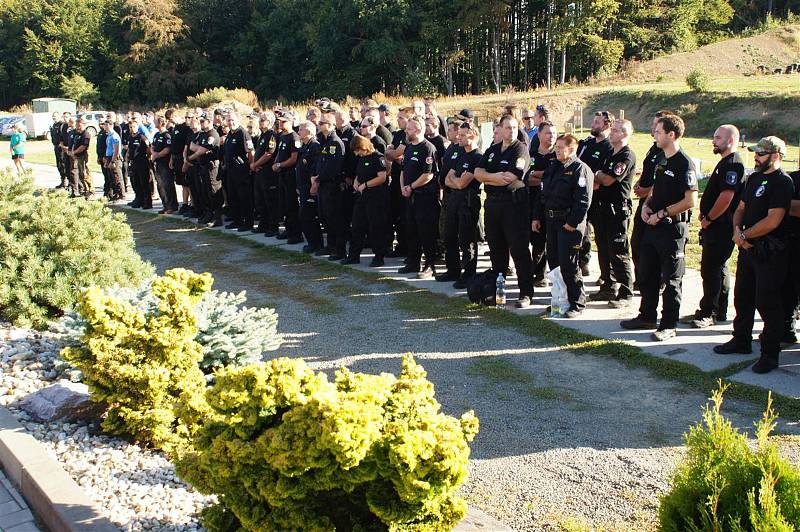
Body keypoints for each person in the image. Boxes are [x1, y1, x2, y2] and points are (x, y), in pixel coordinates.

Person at [714, 137, 793, 374]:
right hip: (747, 249)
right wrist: (738, 232)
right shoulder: (754, 178)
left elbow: (773, 220)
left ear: (776, 155)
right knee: (743, 296)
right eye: (756, 153)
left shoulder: (782, 182)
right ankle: (741, 340)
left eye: (761, 154)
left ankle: (769, 354)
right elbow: (740, 208)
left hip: (769, 253)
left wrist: (745, 235)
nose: (756, 157)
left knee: (767, 302)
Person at [621, 114, 698, 341]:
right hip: (652, 226)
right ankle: (646, 315)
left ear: (671, 135)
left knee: (672, 280)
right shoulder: (662, 160)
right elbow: (654, 190)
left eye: (658, 132)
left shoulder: (685, 163)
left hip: (672, 229)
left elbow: (690, 200)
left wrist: (663, 213)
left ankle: (668, 324)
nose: (654, 134)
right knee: (647, 274)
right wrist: (646, 206)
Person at [685, 125, 744, 328]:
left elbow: (727, 197)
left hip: (721, 226)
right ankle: (716, 310)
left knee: (712, 270)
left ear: (730, 140)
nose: (714, 140)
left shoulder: (733, 164)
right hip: (715, 226)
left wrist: (709, 217)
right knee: (717, 269)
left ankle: (710, 312)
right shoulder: (724, 162)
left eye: (718, 137)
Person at [475, 114, 535, 308]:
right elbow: (477, 173)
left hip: (513, 206)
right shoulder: (492, 150)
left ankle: (526, 293)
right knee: (497, 250)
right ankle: (498, 292)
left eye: (515, 127)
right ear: (499, 129)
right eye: (508, 127)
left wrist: (487, 177)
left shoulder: (521, 149)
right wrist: (493, 177)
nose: (512, 131)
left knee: (519, 250)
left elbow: (510, 177)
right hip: (493, 205)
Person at [531, 134, 594, 317]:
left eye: (560, 148)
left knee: (569, 265)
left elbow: (583, 201)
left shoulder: (579, 169)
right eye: (556, 147)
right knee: (555, 265)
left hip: (569, 224)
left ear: (572, 149)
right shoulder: (553, 167)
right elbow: (542, 195)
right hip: (551, 222)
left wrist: (572, 224)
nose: (556, 150)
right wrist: (537, 217)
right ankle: (560, 300)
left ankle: (577, 303)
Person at [590, 119, 637, 307]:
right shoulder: (611, 153)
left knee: (618, 251)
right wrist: (599, 175)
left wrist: (599, 175)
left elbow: (608, 179)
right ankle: (608, 286)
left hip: (617, 210)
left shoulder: (626, 156)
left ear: (625, 134)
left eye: (616, 130)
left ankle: (626, 292)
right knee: (603, 248)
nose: (612, 132)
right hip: (602, 207)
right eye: (613, 129)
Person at [439, 122, 483, 287]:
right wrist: (455, 181)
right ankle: (453, 270)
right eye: (459, 134)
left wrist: (455, 181)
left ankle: (469, 273)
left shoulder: (477, 156)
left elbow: (462, 183)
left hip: (468, 201)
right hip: (454, 199)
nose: (459, 137)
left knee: (467, 239)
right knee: (449, 235)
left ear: (473, 136)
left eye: (463, 135)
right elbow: (447, 179)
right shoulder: (461, 154)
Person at [631, 111, 671, 290]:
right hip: (644, 204)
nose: (653, 129)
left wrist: (646, 190)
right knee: (637, 243)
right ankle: (642, 277)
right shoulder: (653, 148)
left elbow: (661, 181)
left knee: (654, 247)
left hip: (657, 205)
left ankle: (657, 281)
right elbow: (648, 171)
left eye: (657, 126)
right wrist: (640, 184)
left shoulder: (667, 152)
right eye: (654, 125)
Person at [397, 115, 440, 279]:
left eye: (409, 129)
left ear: (418, 129)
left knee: (426, 231)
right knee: (411, 229)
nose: (406, 131)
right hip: (409, 196)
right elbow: (403, 170)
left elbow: (428, 174)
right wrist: (403, 187)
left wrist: (411, 186)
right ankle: (413, 261)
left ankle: (429, 264)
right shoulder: (408, 148)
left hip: (424, 197)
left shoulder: (427, 148)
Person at [343, 135, 390, 266]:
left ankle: (379, 256)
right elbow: (360, 173)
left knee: (375, 227)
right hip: (361, 196)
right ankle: (353, 255)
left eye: (358, 150)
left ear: (364, 147)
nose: (357, 154)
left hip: (375, 197)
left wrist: (367, 184)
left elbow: (382, 177)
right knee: (357, 226)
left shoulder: (378, 157)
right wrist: (357, 181)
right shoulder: (362, 159)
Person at [578, 110, 614, 280]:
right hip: (581, 196)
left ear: (607, 124)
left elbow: (602, 178)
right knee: (582, 232)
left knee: (603, 238)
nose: (593, 125)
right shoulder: (587, 143)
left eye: (597, 123)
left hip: (600, 198)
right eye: (594, 122)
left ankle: (607, 274)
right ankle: (583, 262)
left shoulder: (609, 147)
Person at [526, 121, 557, 286]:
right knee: (532, 239)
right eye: (547, 133)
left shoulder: (557, 156)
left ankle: (541, 274)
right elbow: (527, 179)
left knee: (544, 242)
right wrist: (545, 177)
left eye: (553, 133)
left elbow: (556, 180)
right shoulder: (531, 155)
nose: (551, 136)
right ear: (539, 134)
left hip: (550, 204)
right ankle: (531, 271)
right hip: (531, 202)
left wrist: (540, 176)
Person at [315, 109, 346, 257]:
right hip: (323, 185)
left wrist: (319, 178)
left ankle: (339, 250)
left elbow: (333, 168)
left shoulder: (335, 143)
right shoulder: (324, 141)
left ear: (331, 125)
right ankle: (331, 246)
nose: (319, 125)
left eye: (322, 123)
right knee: (325, 217)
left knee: (335, 218)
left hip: (332, 186)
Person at [385, 105, 412, 257]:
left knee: (405, 215)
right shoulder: (397, 134)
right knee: (395, 214)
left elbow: (394, 153)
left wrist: (392, 153)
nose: (398, 120)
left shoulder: (407, 136)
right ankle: (400, 246)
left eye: (401, 118)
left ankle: (407, 248)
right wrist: (392, 153)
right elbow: (391, 154)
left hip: (406, 181)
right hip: (395, 179)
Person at [187, 114, 223, 227]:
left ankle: (217, 217)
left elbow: (202, 148)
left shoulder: (213, 134)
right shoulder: (202, 134)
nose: (201, 123)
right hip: (203, 166)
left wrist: (193, 155)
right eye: (200, 121)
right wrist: (201, 150)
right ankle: (208, 214)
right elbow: (192, 146)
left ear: (209, 121)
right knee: (205, 191)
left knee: (214, 192)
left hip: (212, 166)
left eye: (203, 121)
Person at [272, 112, 303, 244]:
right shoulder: (282, 137)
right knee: (284, 204)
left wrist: (280, 164)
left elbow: (294, 158)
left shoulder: (294, 137)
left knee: (292, 205)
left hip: (290, 175)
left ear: (290, 122)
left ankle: (296, 233)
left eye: (283, 121)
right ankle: (288, 229)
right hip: (282, 175)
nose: (280, 123)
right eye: (279, 121)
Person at [223, 111, 255, 231]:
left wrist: (250, 166)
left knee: (244, 198)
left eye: (232, 120)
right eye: (228, 120)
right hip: (231, 171)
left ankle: (248, 223)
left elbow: (251, 152)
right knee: (233, 197)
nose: (231, 122)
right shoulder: (230, 134)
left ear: (238, 120)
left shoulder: (243, 133)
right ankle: (237, 221)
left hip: (242, 171)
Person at [295, 121, 323, 252]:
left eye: (301, 129)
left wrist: (314, 185)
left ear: (309, 132)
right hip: (302, 186)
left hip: (310, 187)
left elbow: (316, 169)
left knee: (308, 216)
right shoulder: (304, 146)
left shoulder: (315, 146)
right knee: (305, 216)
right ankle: (312, 242)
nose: (299, 132)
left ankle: (316, 244)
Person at [250, 112, 279, 236]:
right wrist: (255, 165)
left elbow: (269, 154)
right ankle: (263, 224)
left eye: (264, 120)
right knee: (260, 200)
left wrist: (255, 164)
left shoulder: (272, 135)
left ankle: (273, 227)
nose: (261, 121)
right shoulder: (262, 135)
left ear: (270, 122)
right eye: (260, 119)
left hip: (268, 173)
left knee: (270, 201)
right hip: (259, 172)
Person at [151, 116, 179, 214]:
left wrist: (157, 155)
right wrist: (153, 153)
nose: (154, 122)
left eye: (156, 121)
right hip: (158, 163)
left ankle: (172, 205)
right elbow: (152, 146)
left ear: (161, 123)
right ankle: (165, 205)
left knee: (168, 184)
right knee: (160, 185)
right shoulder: (156, 135)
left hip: (165, 163)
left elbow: (167, 149)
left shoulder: (167, 135)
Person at [127, 117, 152, 209]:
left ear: (137, 127)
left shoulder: (141, 137)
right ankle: (139, 200)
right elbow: (130, 148)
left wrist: (148, 157)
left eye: (133, 127)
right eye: (130, 127)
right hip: (133, 163)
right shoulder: (130, 137)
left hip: (142, 162)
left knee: (144, 182)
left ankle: (147, 202)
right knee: (135, 182)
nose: (132, 129)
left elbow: (148, 148)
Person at [68, 117, 92, 199]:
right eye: (77, 124)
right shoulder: (75, 133)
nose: (78, 126)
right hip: (74, 156)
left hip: (82, 156)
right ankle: (80, 191)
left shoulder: (85, 134)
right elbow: (71, 144)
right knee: (76, 174)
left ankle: (89, 191)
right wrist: (70, 151)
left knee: (84, 174)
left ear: (83, 125)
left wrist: (74, 152)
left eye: (79, 125)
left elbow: (83, 146)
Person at [102, 120, 124, 202]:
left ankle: (121, 194)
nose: (104, 127)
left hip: (114, 158)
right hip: (109, 157)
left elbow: (116, 150)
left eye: (105, 125)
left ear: (110, 125)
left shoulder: (114, 136)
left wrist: (113, 161)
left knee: (117, 177)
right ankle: (115, 193)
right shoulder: (109, 136)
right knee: (111, 177)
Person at [50, 112, 65, 184]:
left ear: (59, 116)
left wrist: (61, 144)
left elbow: (62, 136)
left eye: (55, 116)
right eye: (53, 116)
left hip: (61, 147)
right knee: (58, 164)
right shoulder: (54, 125)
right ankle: (62, 180)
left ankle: (67, 181)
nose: (54, 117)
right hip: (56, 147)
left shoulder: (62, 124)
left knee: (63, 164)